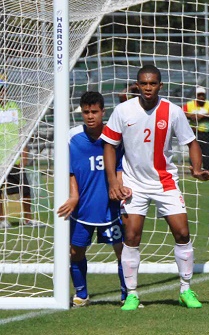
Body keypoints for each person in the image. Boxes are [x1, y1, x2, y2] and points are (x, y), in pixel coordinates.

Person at [101, 65, 209, 311]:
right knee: (131, 237)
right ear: (137, 85)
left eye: (152, 84)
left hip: (165, 182)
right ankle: (132, 294)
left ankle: (185, 290)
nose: (148, 88)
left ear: (160, 86)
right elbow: (109, 145)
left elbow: (191, 142)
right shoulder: (123, 110)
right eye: (144, 84)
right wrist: (113, 181)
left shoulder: (172, 111)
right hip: (133, 183)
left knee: (182, 233)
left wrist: (196, 168)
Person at [57, 91, 127, 307]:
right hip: (83, 207)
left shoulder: (114, 137)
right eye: (86, 112)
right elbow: (69, 170)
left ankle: (127, 294)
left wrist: (121, 186)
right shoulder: (72, 137)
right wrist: (74, 195)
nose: (90, 116)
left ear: (103, 112)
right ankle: (82, 293)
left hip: (111, 206)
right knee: (75, 250)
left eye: (94, 112)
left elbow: (122, 165)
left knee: (121, 249)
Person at [0, 82, 40, 229]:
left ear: (5, 91)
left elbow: (23, 132)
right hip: (0, 157)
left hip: (14, 157)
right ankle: (2, 220)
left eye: (2, 89)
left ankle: (27, 219)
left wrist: (24, 152)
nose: (1, 93)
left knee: (25, 189)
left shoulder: (14, 107)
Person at [183, 86, 209, 171]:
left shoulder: (208, 104)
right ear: (196, 95)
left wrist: (202, 116)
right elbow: (182, 113)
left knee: (207, 151)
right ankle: (194, 167)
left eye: (203, 95)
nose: (201, 97)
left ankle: (206, 168)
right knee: (193, 150)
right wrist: (192, 116)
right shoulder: (189, 104)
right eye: (199, 95)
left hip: (205, 132)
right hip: (194, 132)